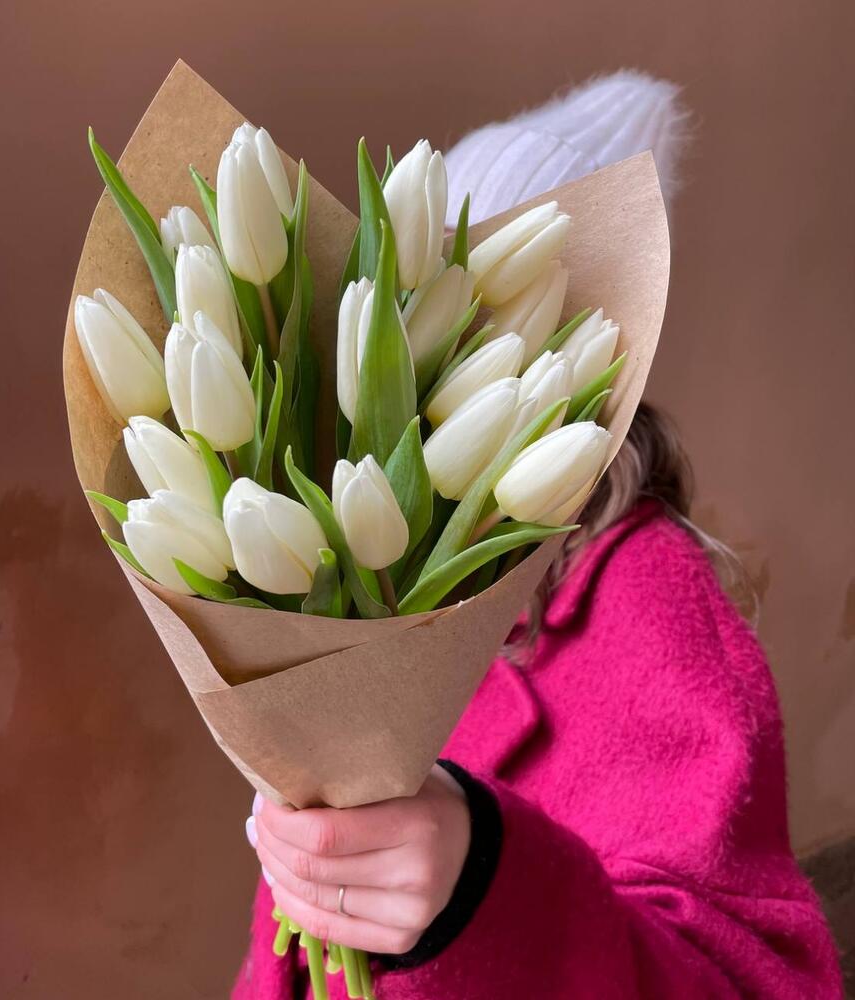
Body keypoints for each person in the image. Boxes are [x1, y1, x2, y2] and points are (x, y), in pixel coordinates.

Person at [232, 74, 843, 999]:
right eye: (402, 308)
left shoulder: (653, 602)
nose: (407, 370)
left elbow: (758, 980)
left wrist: (484, 884)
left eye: (469, 327)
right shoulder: (355, 558)